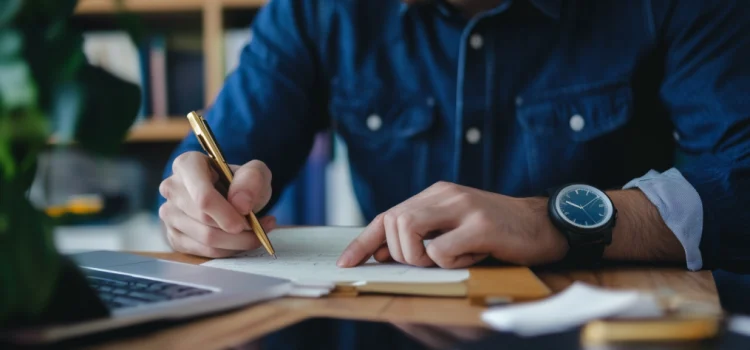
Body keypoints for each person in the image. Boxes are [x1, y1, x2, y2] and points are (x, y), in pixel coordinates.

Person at [157, 0, 750, 273]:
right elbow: (218, 161)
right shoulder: (317, 10)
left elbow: (740, 183)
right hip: (392, 326)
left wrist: (553, 222)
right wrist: (197, 203)